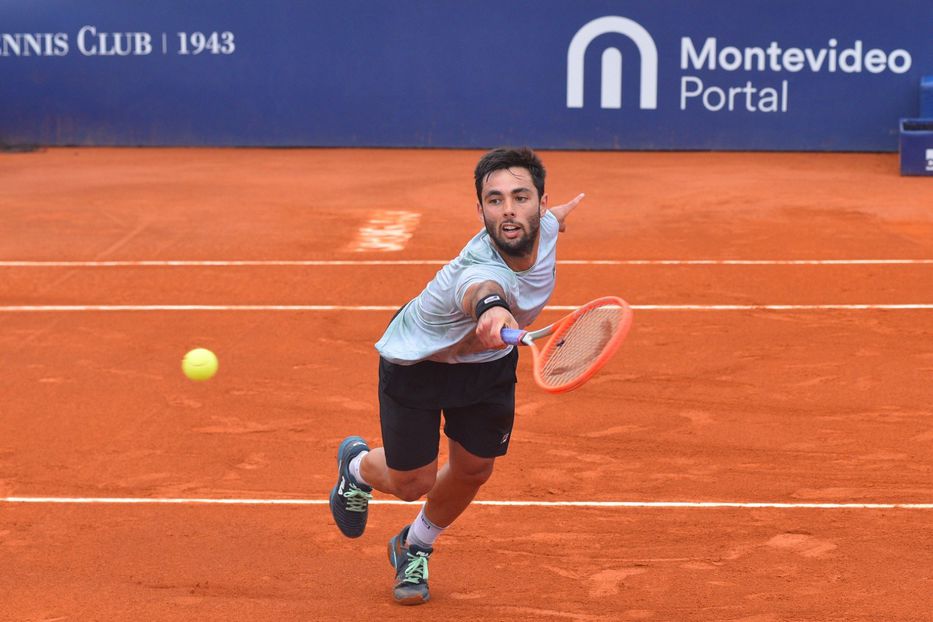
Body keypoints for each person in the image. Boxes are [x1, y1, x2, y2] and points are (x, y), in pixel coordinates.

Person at [329, 146, 583, 605]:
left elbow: (552, 222)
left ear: (541, 203)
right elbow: (482, 295)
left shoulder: (543, 227)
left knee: (474, 468)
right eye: (494, 200)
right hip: (419, 363)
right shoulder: (478, 269)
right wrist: (492, 314)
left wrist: (560, 216)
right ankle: (355, 468)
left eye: (521, 197)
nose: (508, 210)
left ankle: (415, 545)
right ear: (480, 209)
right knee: (413, 484)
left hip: (486, 368)